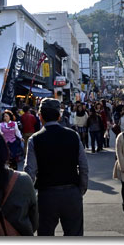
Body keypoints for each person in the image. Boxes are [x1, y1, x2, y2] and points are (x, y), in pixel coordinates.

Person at [24, 98, 89, 236]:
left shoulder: (34, 139)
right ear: (59, 116)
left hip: (46, 195)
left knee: (45, 234)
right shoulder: (73, 135)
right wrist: (80, 190)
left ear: (40, 116)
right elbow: (83, 166)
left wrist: (29, 199)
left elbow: (30, 171)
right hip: (71, 193)